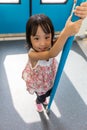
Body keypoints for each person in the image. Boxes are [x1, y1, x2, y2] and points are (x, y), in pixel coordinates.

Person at [22, 12, 83, 112]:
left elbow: (60, 40)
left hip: (49, 79)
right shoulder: (32, 55)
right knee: (41, 97)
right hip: (39, 84)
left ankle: (44, 99)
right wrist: (66, 32)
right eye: (36, 38)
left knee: (49, 93)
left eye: (47, 37)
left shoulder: (49, 44)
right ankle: (38, 102)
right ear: (29, 39)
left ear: (51, 36)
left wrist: (67, 28)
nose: (43, 43)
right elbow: (51, 54)